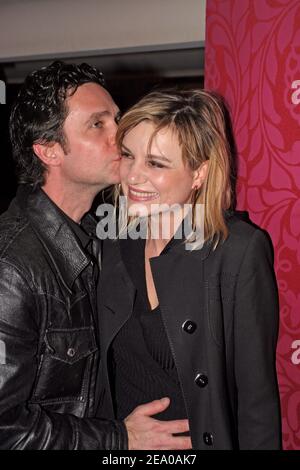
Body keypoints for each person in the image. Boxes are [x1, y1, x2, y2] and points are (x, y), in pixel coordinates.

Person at [0, 62, 191, 450]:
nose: (120, 134)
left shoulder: (98, 236)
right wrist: (119, 438)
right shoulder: (11, 267)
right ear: (49, 150)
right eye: (97, 124)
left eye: (116, 118)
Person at [96, 89, 282, 449]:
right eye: (128, 156)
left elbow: (256, 400)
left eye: (156, 163)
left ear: (199, 173)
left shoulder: (237, 251)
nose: (132, 176)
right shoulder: (110, 244)